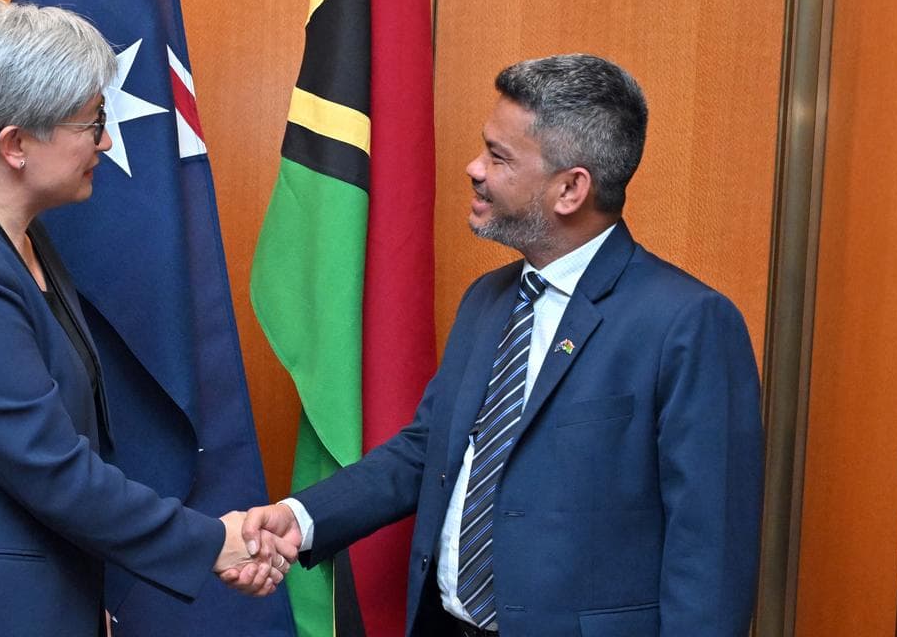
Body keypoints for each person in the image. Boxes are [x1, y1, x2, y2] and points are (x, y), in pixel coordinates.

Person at [231, 54, 764, 636]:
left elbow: (709, 556)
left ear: (570, 189)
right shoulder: (488, 300)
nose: (474, 168)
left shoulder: (688, 325)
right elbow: (426, 451)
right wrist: (301, 518)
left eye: (499, 157)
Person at [0, 1, 290, 637]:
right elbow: (49, 465)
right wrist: (210, 542)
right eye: (92, 124)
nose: (108, 141)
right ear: (15, 145)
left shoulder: (20, 240)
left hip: (29, 600)